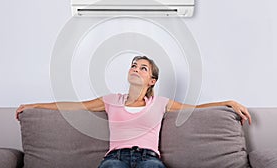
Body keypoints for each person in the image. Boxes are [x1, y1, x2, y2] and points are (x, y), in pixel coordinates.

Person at [16, 55, 252, 168]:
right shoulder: (111, 100)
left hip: (149, 159)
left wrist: (228, 102)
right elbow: (72, 106)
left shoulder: (160, 103)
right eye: (133, 65)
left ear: (151, 80)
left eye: (143, 68)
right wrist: (35, 106)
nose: (135, 69)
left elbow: (196, 109)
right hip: (115, 159)